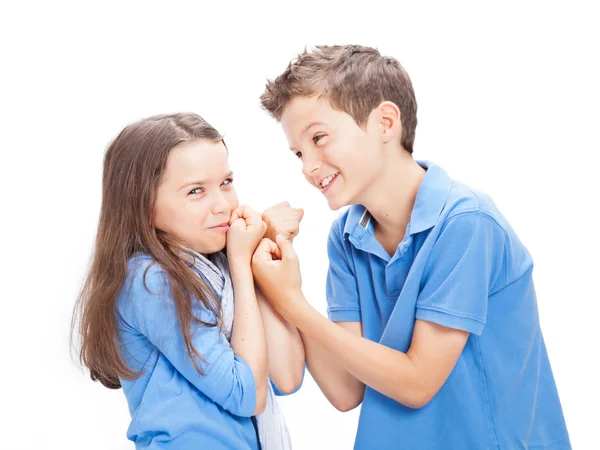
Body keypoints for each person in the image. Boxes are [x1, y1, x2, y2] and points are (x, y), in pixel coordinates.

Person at [254, 45, 571, 449]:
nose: (308, 166)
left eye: (319, 138)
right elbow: (345, 390)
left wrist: (292, 303)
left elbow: (417, 381)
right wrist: (277, 283)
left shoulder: (466, 222)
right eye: (299, 152)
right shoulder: (347, 237)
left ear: (386, 123)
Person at [72, 112, 304, 449]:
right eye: (196, 191)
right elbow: (248, 396)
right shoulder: (150, 280)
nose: (223, 205)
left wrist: (256, 259)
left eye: (226, 182)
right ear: (143, 204)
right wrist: (241, 264)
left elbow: (286, 377)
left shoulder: (220, 265)